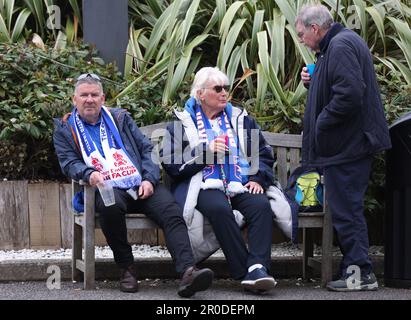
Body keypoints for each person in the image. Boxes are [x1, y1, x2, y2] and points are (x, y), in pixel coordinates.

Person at [53, 73, 213, 298]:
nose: (89, 99)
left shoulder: (119, 118)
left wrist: (149, 177)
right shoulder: (64, 129)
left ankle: (188, 272)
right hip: (107, 187)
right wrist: (89, 174)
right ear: (74, 99)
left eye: (94, 95)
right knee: (110, 208)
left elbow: (146, 148)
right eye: (84, 95)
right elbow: (69, 162)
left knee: (171, 212)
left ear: (103, 98)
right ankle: (126, 268)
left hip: (141, 183)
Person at [295, 4, 391, 291]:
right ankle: (355, 271)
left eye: (301, 34)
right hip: (345, 146)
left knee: (347, 210)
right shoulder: (333, 47)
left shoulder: (340, 45)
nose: (301, 40)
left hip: (348, 146)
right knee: (347, 208)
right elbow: (339, 85)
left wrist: (322, 121)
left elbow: (350, 93)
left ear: (315, 28)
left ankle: (361, 274)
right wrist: (312, 80)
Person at [160, 67, 280, 294]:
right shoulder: (181, 124)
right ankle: (248, 273)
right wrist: (206, 152)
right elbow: (172, 163)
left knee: (261, 205)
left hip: (240, 182)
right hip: (203, 184)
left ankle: (258, 266)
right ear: (200, 94)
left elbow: (262, 153)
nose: (224, 93)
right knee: (218, 208)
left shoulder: (241, 121)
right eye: (218, 89)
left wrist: (257, 178)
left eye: (226, 88)